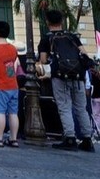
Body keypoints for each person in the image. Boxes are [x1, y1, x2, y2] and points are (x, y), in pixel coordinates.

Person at [37, 9, 95, 152]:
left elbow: (43, 60)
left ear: (47, 22)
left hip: (59, 75)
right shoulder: (72, 37)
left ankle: (70, 137)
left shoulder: (46, 38)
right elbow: (84, 54)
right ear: (62, 21)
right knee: (81, 108)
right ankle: (87, 138)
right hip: (78, 76)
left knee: (64, 106)